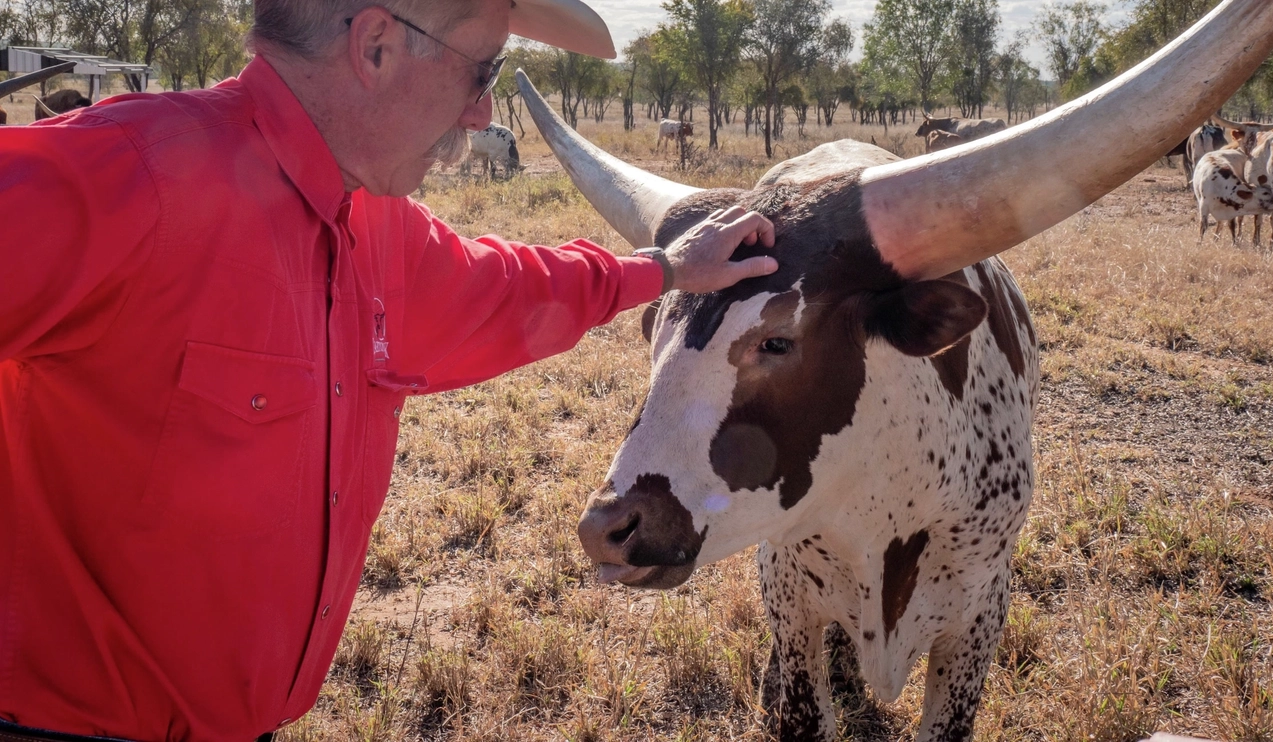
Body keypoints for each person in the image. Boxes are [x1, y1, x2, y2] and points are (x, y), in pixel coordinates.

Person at [0, 0, 777, 739]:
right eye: (481, 73)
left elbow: (514, 289)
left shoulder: (373, 227)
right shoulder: (129, 177)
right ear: (375, 45)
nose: (482, 114)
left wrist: (664, 270)